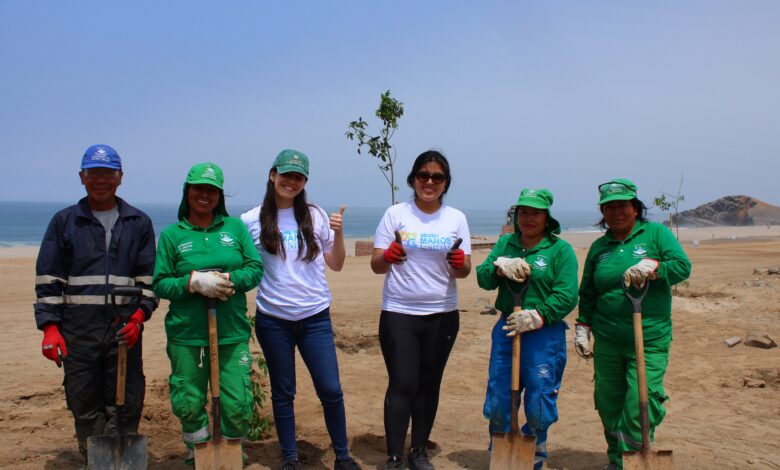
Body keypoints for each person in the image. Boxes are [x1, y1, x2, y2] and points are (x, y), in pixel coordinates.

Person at [34, 144, 158, 464]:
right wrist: (50, 329)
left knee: (127, 397)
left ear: (120, 178)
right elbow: (49, 279)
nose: (100, 180)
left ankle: (123, 453)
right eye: (93, 173)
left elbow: (148, 281)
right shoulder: (65, 222)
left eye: (107, 173)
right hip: (79, 328)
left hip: (123, 328)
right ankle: (94, 456)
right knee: (83, 398)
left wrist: (138, 319)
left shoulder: (138, 222)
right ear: (82, 177)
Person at [241, 149, 361, 470]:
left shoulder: (316, 215)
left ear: (305, 181)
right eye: (286, 175)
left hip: (315, 319)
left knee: (330, 389)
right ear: (272, 175)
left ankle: (342, 456)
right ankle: (290, 458)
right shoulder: (250, 220)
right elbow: (240, 264)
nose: (291, 182)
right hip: (273, 320)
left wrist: (338, 232)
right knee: (283, 392)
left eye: (298, 176)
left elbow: (335, 264)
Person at [575, 179, 691, 470]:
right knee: (609, 402)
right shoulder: (600, 247)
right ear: (603, 211)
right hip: (608, 339)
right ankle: (618, 460)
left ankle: (633, 460)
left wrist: (655, 269)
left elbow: (682, 267)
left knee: (641, 401)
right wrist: (583, 325)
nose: (616, 212)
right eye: (609, 207)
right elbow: (588, 290)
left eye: (623, 205)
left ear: (635, 208)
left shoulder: (656, 234)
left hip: (649, 337)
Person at [153, 162, 264, 465]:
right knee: (188, 403)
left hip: (230, 331)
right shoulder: (172, 235)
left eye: (212, 190)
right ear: (187, 192)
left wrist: (228, 281)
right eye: (199, 188)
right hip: (187, 335)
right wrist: (192, 283)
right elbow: (160, 282)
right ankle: (197, 456)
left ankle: (231, 455)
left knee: (237, 403)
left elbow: (255, 269)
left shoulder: (234, 228)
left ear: (220, 195)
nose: (205, 194)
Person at [371, 150, 471, 470]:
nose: (429, 182)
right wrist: (389, 254)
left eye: (437, 177)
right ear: (413, 179)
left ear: (446, 183)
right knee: (402, 383)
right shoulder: (395, 214)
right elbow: (376, 265)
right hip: (399, 311)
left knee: (429, 384)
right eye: (423, 175)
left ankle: (418, 451)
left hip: (442, 314)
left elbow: (464, 269)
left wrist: (460, 264)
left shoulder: (456, 219)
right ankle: (395, 455)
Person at [476, 188, 578, 470]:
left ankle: (534, 454)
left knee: (538, 400)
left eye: (535, 213)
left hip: (544, 334)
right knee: (499, 396)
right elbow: (483, 278)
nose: (528, 218)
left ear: (547, 217)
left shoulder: (560, 250)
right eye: (523, 212)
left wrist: (539, 315)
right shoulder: (505, 244)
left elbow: (568, 294)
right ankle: (500, 448)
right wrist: (499, 267)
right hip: (508, 327)